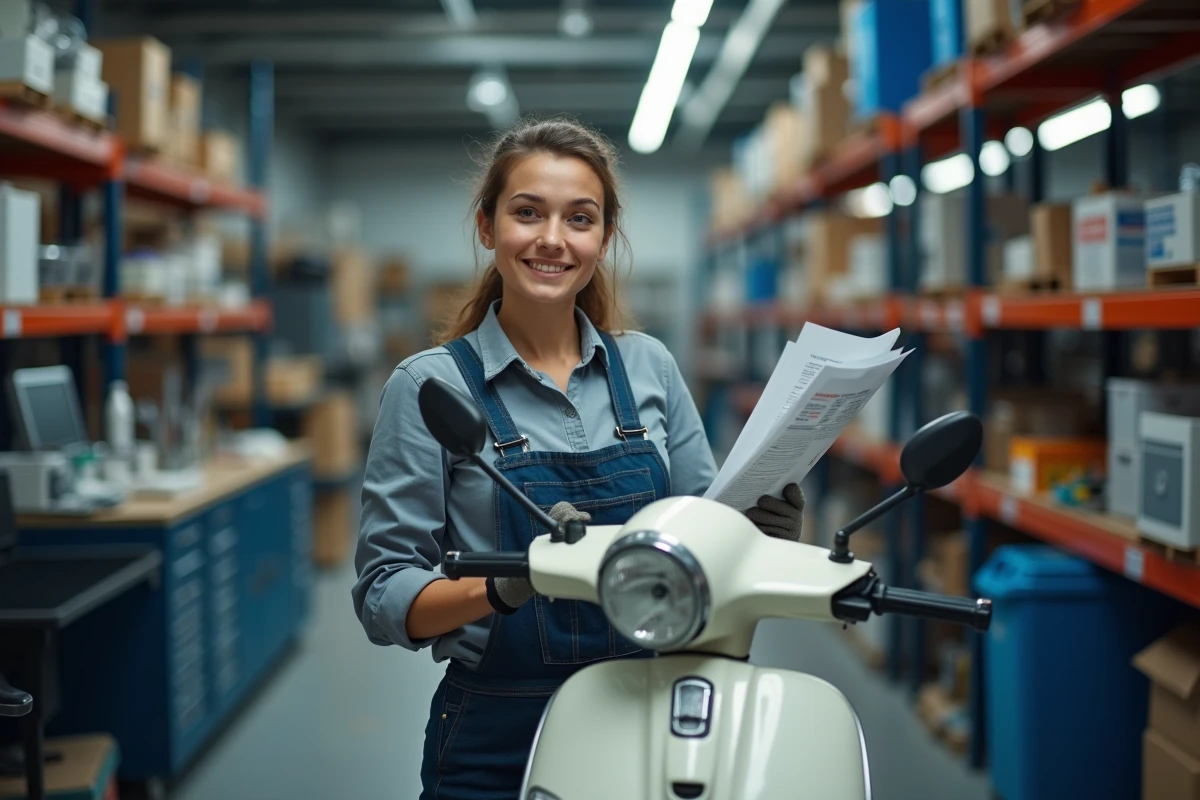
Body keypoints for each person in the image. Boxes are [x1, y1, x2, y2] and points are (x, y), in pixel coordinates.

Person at [352, 117, 806, 800]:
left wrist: (757, 538)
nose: (553, 239)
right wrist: (504, 585)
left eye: (580, 218)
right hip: (500, 737)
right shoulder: (428, 387)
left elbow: (701, 545)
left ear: (603, 238)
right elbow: (384, 594)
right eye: (527, 212)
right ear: (486, 227)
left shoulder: (650, 367)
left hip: (652, 711)